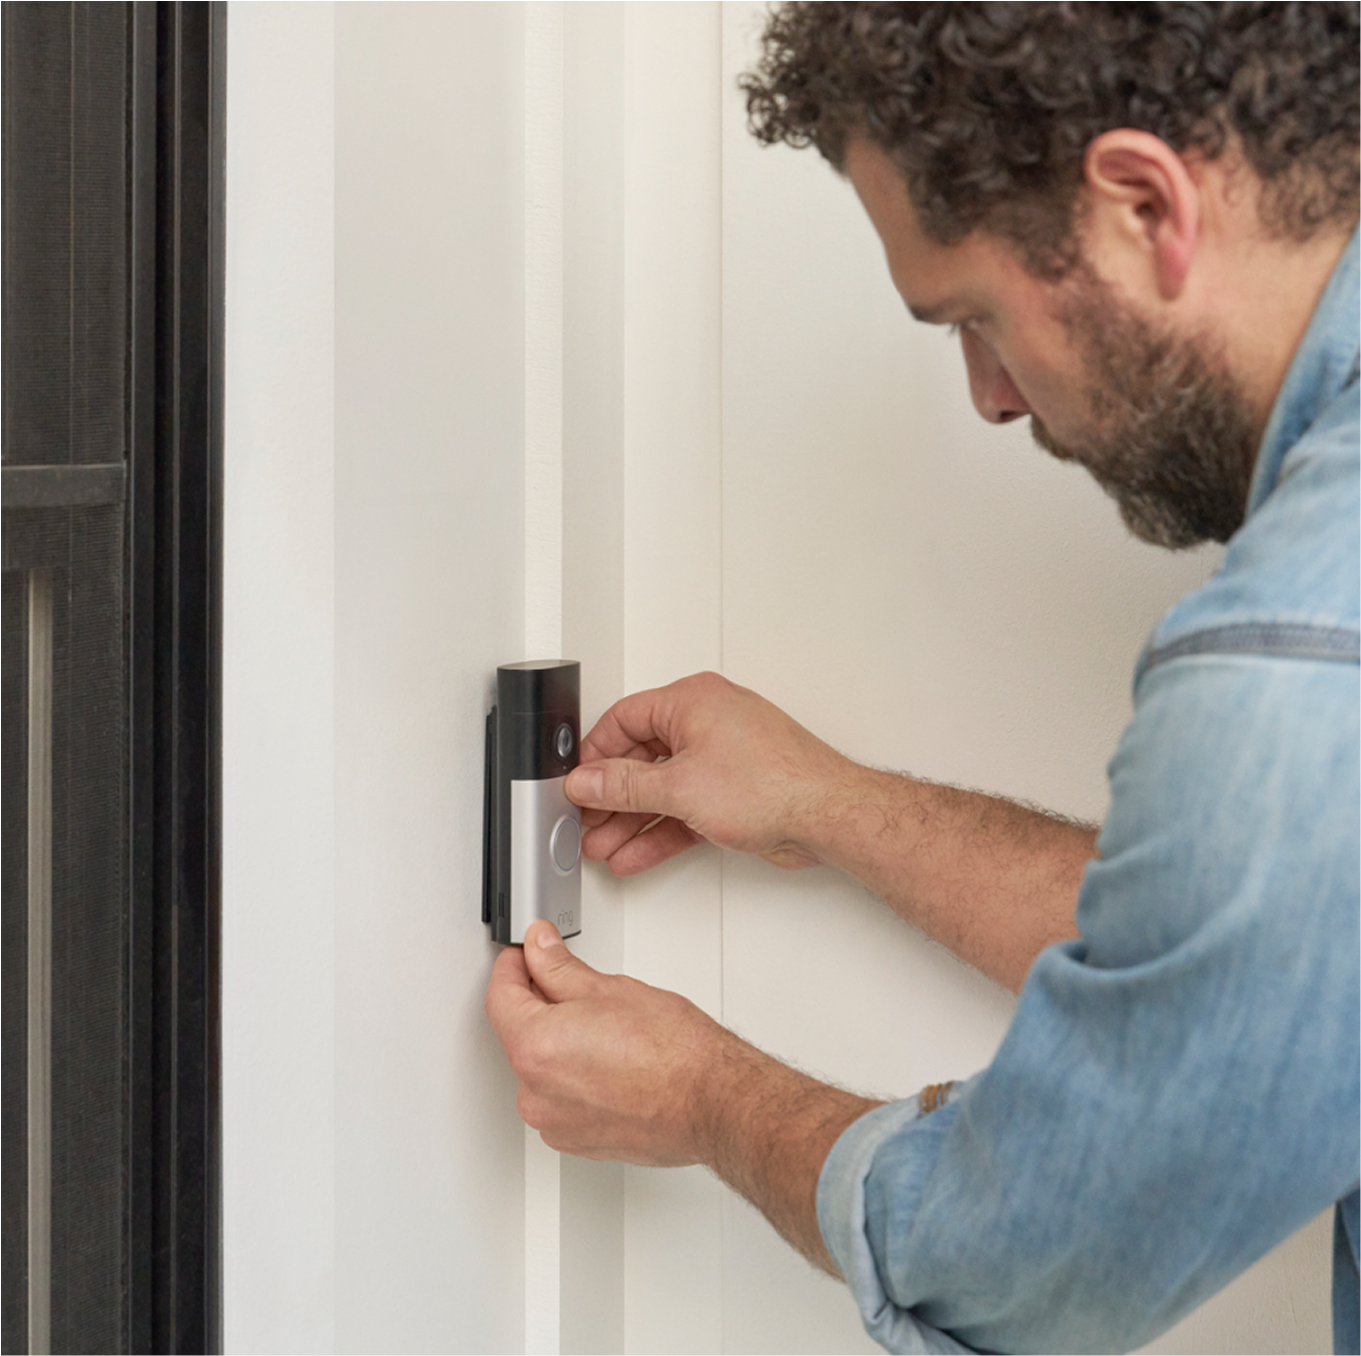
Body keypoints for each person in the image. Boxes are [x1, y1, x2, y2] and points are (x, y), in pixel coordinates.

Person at [485, 4, 1361, 1352]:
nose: (990, 397)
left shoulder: (1300, 651)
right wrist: (826, 806)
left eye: (974, 315)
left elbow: (1029, 1260)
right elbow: (1260, 953)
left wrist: (709, 1098)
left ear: (1142, 203)